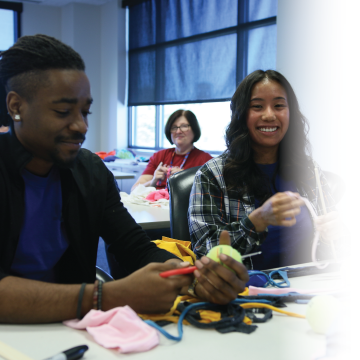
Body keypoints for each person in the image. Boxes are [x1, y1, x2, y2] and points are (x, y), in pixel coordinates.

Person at [0, 34, 249, 324]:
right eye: (63, 111)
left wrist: (189, 274)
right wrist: (107, 297)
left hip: (68, 329)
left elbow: (134, 247)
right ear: (16, 106)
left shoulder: (90, 172)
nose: (82, 126)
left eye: (85, 111)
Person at [189, 69, 340, 270]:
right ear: (241, 115)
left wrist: (339, 234)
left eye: (279, 106)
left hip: (310, 286)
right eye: (257, 107)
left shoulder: (309, 170)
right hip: (246, 292)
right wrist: (255, 223)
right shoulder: (212, 175)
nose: (269, 115)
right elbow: (205, 251)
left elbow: (335, 248)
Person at [131, 109, 212, 191]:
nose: (178, 131)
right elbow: (134, 190)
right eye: (174, 127)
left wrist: (186, 179)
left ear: (194, 129)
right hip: (154, 202)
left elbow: (211, 193)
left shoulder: (206, 160)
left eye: (184, 126)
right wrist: (153, 181)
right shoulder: (159, 156)